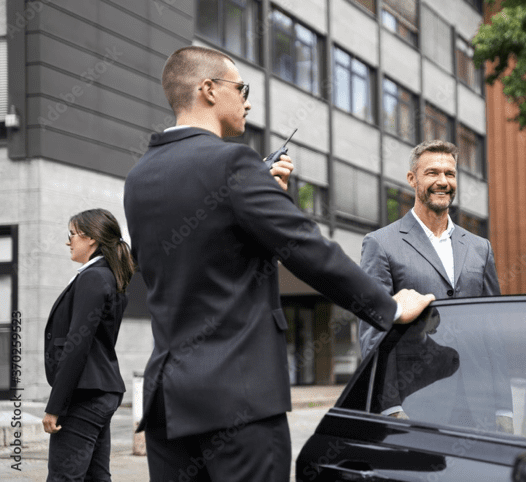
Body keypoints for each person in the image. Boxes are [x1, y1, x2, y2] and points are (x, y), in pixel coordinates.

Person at [123, 46, 434, 482]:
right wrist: (389, 307)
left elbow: (205, 256)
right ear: (208, 90)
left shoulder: (139, 178)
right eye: (241, 88)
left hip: (168, 406)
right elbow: (306, 247)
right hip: (239, 402)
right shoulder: (233, 162)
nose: (247, 100)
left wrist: (261, 197)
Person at [358, 140, 512, 432]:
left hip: (479, 404)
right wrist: (390, 406)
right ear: (412, 179)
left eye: (450, 174)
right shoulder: (380, 244)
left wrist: (504, 407)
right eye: (432, 173)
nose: (443, 181)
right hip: (416, 401)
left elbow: (494, 331)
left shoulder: (480, 248)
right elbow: (371, 331)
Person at [43, 208, 135, 481]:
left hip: (84, 394)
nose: (68, 241)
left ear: (91, 239)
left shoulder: (94, 277)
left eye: (72, 234)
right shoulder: (107, 275)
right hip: (98, 391)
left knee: (64, 477)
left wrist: (55, 405)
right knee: (96, 477)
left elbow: (78, 344)